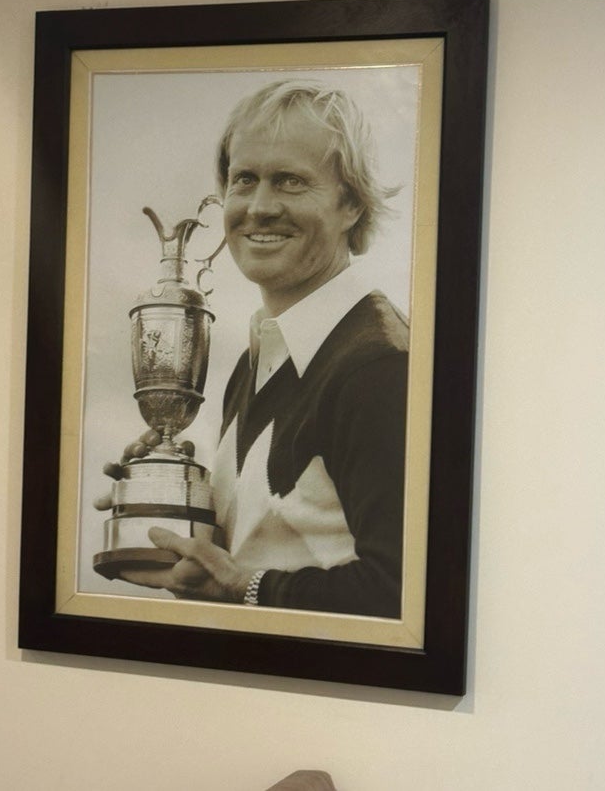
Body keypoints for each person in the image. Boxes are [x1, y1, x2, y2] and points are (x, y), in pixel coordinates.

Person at [120, 78, 409, 619]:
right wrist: (172, 503)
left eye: (291, 182)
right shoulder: (261, 356)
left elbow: (405, 596)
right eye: (244, 180)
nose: (259, 207)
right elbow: (266, 545)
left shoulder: (381, 365)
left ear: (351, 203)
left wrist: (245, 588)